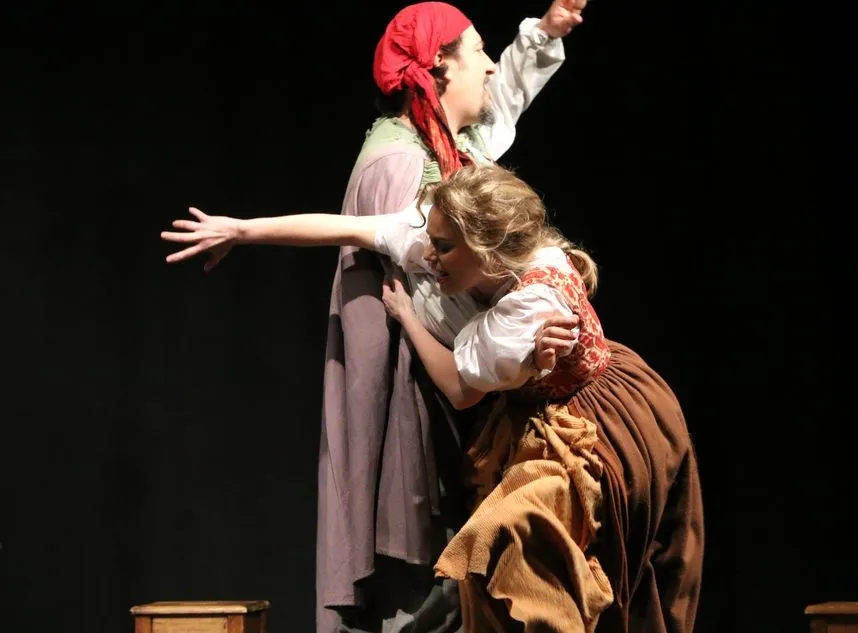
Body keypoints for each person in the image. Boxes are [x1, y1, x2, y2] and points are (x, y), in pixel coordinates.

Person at [161, 163, 705, 633]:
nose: (429, 254)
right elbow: (349, 229)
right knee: (513, 563)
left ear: (488, 250)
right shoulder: (452, 247)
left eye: (444, 247)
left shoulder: (531, 304)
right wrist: (241, 230)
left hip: (592, 426)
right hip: (537, 415)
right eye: (432, 237)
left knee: (528, 546)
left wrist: (408, 317)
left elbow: (461, 390)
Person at [324, 1, 588, 631]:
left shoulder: (448, 143)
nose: (492, 66)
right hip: (429, 387)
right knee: (432, 581)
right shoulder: (401, 162)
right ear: (440, 65)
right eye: (478, 51)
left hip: (472, 375)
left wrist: (544, 34)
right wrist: (521, 343)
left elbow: (503, 101)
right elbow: (432, 295)